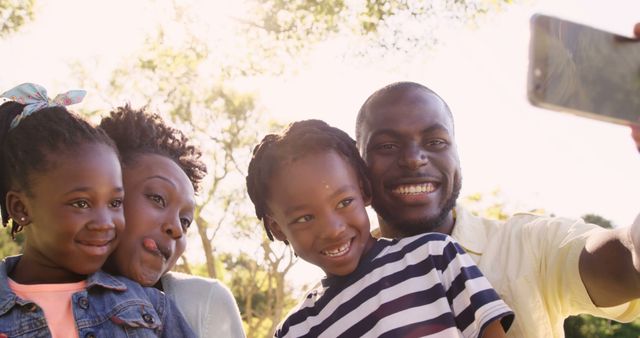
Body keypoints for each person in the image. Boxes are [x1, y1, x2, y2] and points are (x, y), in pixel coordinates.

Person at [354, 80, 640, 337]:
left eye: (435, 142)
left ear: (456, 155)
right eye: (387, 146)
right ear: (357, 165)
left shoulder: (529, 244)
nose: (414, 159)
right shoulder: (336, 298)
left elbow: (626, 260)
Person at [246, 119, 514, 337]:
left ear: (364, 192)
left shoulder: (434, 257)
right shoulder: (296, 331)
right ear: (278, 229)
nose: (332, 229)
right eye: (304, 218)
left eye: (344, 202)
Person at [0, 83, 195, 337]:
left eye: (115, 203)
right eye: (81, 203)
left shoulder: (150, 307)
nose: (105, 222)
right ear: (20, 208)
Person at [100, 105, 246, 338]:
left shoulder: (203, 303)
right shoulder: (27, 290)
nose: (177, 228)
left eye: (186, 221)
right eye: (158, 198)